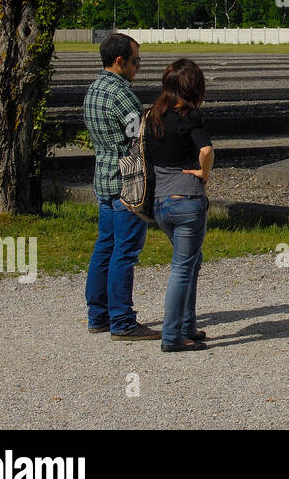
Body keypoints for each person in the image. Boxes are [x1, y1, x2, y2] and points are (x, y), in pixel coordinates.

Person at [83, 33, 159, 341]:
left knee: (105, 246)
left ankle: (97, 314)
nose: (138, 67)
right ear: (120, 61)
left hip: (102, 177)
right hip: (126, 182)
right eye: (136, 61)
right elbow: (138, 136)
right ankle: (123, 321)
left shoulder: (93, 89)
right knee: (125, 253)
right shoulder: (122, 94)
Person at [145, 58, 214, 352]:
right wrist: (204, 173)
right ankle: (172, 336)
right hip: (187, 201)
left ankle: (187, 326)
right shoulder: (191, 117)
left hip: (160, 202)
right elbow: (207, 150)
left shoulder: (151, 117)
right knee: (182, 268)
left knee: (191, 263)